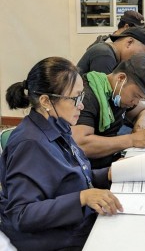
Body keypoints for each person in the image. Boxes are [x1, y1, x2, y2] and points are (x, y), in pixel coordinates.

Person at [0, 57, 123, 250]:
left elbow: (68, 178)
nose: (81, 106)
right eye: (76, 98)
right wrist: (82, 198)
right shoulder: (30, 144)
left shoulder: (57, 125)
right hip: (54, 239)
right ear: (46, 101)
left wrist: (107, 174)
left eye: (81, 96)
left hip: (72, 226)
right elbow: (22, 214)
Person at [72, 53, 145, 169]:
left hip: (111, 161)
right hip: (91, 170)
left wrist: (141, 123)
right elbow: (80, 144)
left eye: (140, 98)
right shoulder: (89, 96)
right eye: (136, 95)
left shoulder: (118, 95)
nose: (135, 102)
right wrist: (132, 140)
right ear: (121, 78)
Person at [77, 26, 145, 75]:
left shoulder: (112, 55)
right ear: (129, 42)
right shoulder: (104, 55)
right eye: (139, 54)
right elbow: (105, 95)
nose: (139, 59)